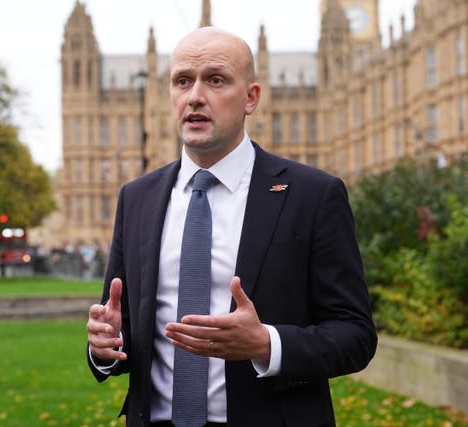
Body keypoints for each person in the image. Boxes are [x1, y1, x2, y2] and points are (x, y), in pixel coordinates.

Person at [86, 27, 377, 427]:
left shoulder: (312, 195)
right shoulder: (137, 198)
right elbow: (123, 330)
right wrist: (105, 347)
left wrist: (266, 344)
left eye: (216, 80)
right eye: (182, 81)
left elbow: (356, 336)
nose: (195, 96)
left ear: (251, 98)